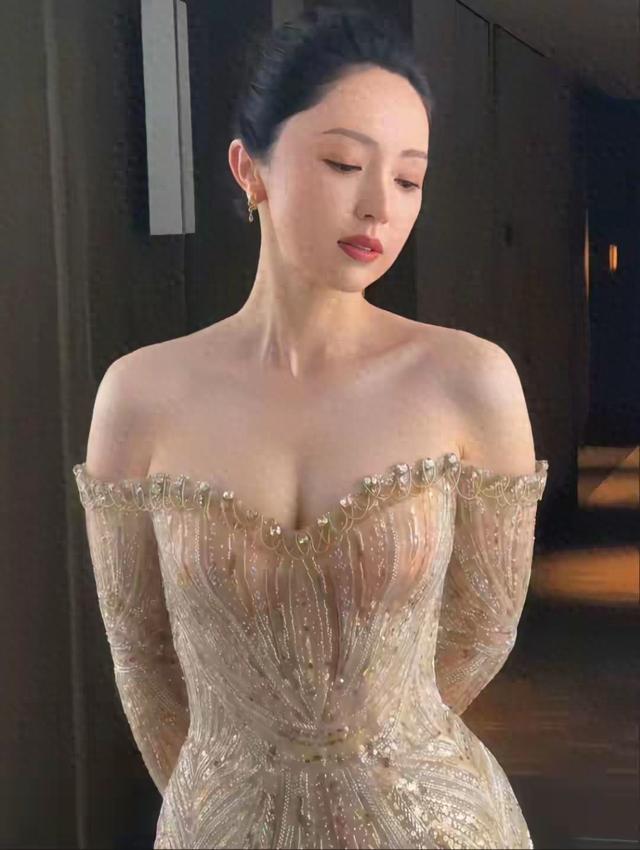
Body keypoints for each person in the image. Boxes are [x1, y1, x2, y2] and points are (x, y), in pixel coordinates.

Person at [73, 5, 548, 848]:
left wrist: (361, 763)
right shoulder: (139, 395)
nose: (377, 206)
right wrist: (234, 803)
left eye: (409, 180)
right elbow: (142, 659)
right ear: (249, 169)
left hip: (430, 823)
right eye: (343, 163)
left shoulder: (470, 380)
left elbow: (484, 628)